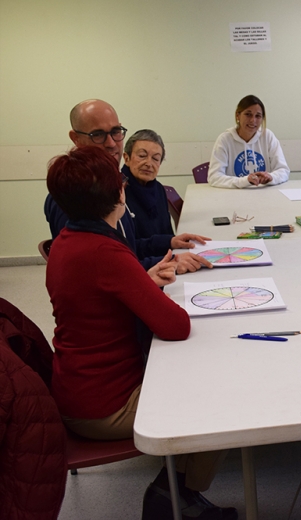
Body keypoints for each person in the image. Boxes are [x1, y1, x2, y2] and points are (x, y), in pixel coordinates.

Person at [46, 146, 236, 520]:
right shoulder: (106, 252)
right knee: (221, 400)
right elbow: (176, 326)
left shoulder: (68, 242)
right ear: (118, 194)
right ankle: (174, 495)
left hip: (76, 387)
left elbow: (94, 299)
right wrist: (143, 287)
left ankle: (177, 492)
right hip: (105, 407)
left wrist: (142, 280)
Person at [45, 99, 212, 275]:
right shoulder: (74, 196)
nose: (110, 143)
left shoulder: (113, 185)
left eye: (116, 132)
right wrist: (169, 263)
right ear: (75, 138)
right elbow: (102, 272)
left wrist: (169, 242)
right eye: (98, 134)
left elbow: (128, 247)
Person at [122, 129, 210, 250]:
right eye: (142, 156)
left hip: (165, 257)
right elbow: (127, 248)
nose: (149, 163)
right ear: (126, 158)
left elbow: (167, 234)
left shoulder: (158, 190)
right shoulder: (119, 193)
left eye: (155, 158)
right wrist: (168, 243)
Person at [208, 95, 290, 188]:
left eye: (258, 116)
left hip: (264, 195)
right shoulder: (225, 139)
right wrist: (244, 181)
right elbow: (214, 177)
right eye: (248, 114)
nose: (253, 120)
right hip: (233, 196)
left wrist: (271, 177)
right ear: (237, 115)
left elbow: (283, 170)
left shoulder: (268, 136)